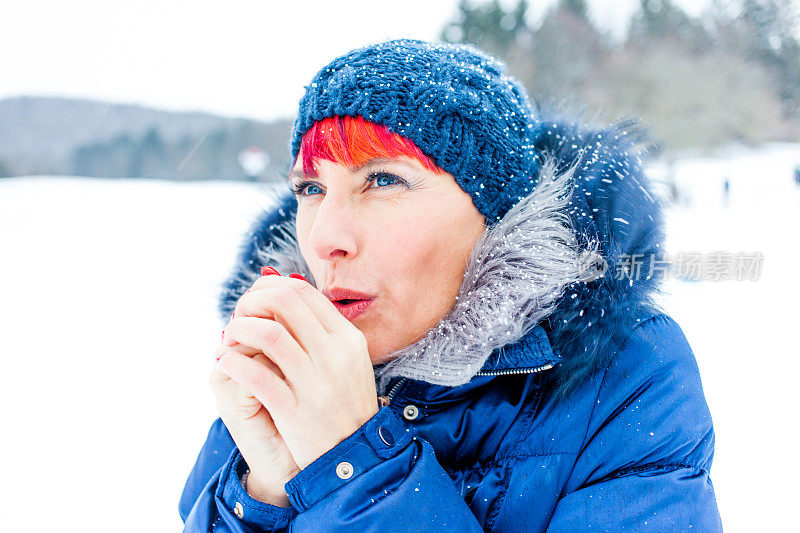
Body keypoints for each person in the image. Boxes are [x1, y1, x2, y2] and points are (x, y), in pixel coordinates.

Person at [179, 39, 722, 531]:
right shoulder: (292, 365)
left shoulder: (627, 374)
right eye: (312, 187)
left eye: (383, 179)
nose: (324, 238)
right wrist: (262, 493)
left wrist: (353, 467)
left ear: (494, 214)